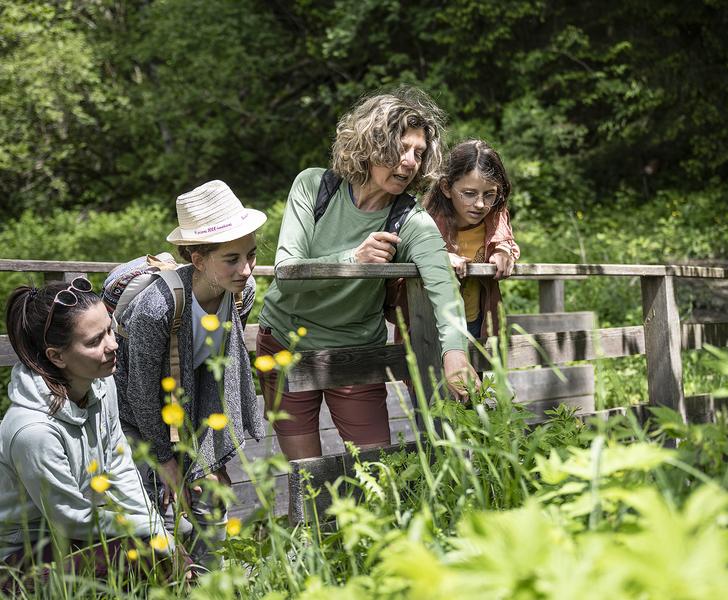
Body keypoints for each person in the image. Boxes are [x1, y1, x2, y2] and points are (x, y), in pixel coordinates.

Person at [257, 87, 478, 460]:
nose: (409, 162)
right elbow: (286, 272)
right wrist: (353, 259)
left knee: (377, 470)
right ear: (370, 143)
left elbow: (442, 288)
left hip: (356, 354)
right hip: (285, 344)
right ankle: (311, 523)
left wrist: (455, 352)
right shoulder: (315, 186)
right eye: (400, 148)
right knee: (305, 474)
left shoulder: (411, 221)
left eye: (418, 153)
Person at [114, 180, 266, 565]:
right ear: (198, 259)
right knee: (163, 513)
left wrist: (209, 458)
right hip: (137, 418)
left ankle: (209, 583)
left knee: (211, 505)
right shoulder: (158, 307)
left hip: (191, 413)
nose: (247, 269)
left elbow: (214, 371)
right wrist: (167, 461)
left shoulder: (239, 293)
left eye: (251, 255)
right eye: (232, 259)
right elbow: (140, 391)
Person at [0, 279, 176, 581]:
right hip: (22, 558)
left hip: (76, 536)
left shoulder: (101, 383)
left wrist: (157, 528)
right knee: (144, 553)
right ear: (56, 356)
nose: (113, 344)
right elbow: (71, 520)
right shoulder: (33, 431)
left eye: (111, 329)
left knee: (163, 545)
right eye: (95, 341)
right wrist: (147, 533)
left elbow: (119, 465)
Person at [396, 139, 520, 339]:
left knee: (476, 369)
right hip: (430, 324)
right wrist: (437, 257)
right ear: (446, 187)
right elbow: (405, 255)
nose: (480, 204)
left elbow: (506, 241)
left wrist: (503, 251)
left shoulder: (494, 219)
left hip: (477, 323)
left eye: (489, 195)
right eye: (469, 194)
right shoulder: (424, 221)